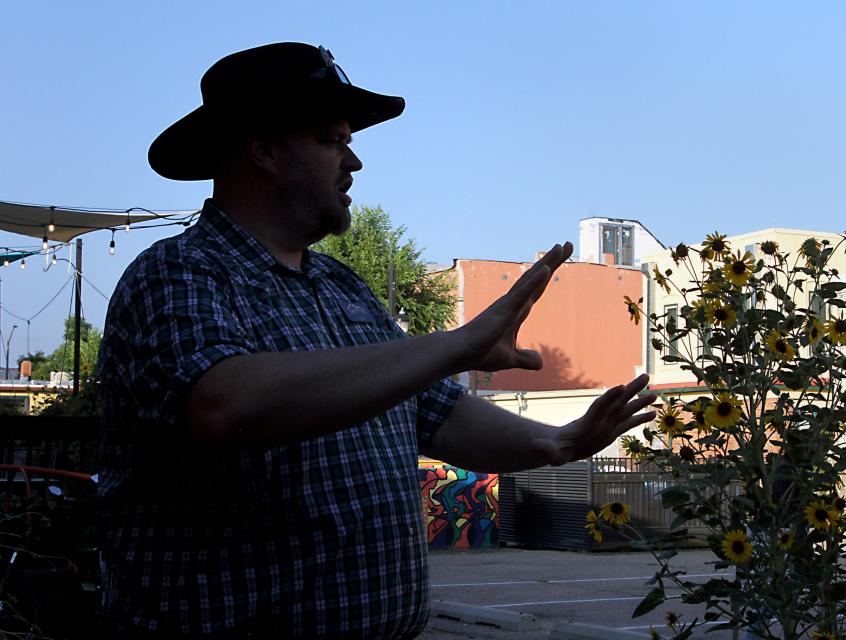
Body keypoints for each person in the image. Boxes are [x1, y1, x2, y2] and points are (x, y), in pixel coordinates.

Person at [97, 42, 656, 639]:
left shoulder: (343, 287)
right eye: (332, 140)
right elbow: (222, 404)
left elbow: (435, 414)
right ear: (261, 149)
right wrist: (458, 343)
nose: (353, 162)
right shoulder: (176, 274)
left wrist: (556, 443)